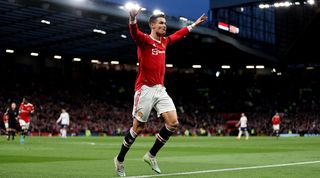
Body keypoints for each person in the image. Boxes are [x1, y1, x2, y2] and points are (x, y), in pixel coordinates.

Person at [113, 7, 207, 177]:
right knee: (138, 128)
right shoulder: (144, 41)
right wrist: (132, 19)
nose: (165, 26)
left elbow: (178, 35)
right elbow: (134, 32)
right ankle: (119, 160)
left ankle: (151, 155)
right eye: (162, 23)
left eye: (165, 23)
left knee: (173, 123)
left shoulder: (164, 42)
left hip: (160, 89)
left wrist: (194, 25)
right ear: (153, 26)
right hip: (145, 90)